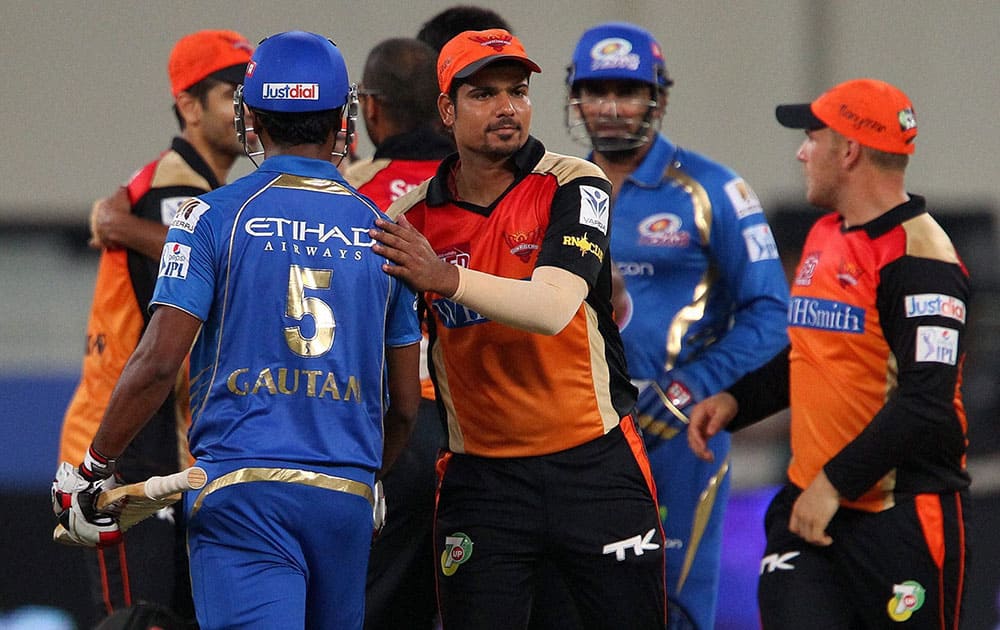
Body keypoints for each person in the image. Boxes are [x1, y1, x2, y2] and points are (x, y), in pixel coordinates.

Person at [52, 31, 422, 630]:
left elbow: (157, 361)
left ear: (252, 117)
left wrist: (93, 467)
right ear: (341, 120)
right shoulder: (387, 231)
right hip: (346, 494)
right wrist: (369, 476)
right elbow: (403, 406)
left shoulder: (212, 214)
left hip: (242, 493)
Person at [369, 29, 666, 629]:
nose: (507, 107)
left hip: (595, 466)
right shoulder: (411, 220)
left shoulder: (575, 183)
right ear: (446, 110)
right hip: (482, 482)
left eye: (518, 90)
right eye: (483, 93)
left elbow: (553, 306)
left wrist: (444, 278)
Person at [688, 78, 971, 629]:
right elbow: (813, 352)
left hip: (901, 520)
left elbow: (925, 403)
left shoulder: (922, 260)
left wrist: (832, 486)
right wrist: (737, 402)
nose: (800, 152)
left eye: (812, 138)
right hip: (808, 515)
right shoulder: (825, 234)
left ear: (849, 151)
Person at [549, 22, 791, 629]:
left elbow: (771, 315)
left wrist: (687, 391)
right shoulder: (551, 189)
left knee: (672, 610)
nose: (609, 108)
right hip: (574, 436)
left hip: (678, 436)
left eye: (627, 91)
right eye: (596, 91)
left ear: (659, 95)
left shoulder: (713, 189)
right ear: (573, 96)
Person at [55, 29, 254, 627]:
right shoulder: (175, 187)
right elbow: (180, 309)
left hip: (154, 436)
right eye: (231, 94)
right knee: (138, 619)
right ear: (190, 107)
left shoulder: (193, 188)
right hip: (122, 439)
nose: (246, 107)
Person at [342, 37, 451, 630]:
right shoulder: (483, 188)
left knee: (372, 608)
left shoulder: (348, 193)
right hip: (485, 432)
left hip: (386, 425)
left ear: (373, 110)